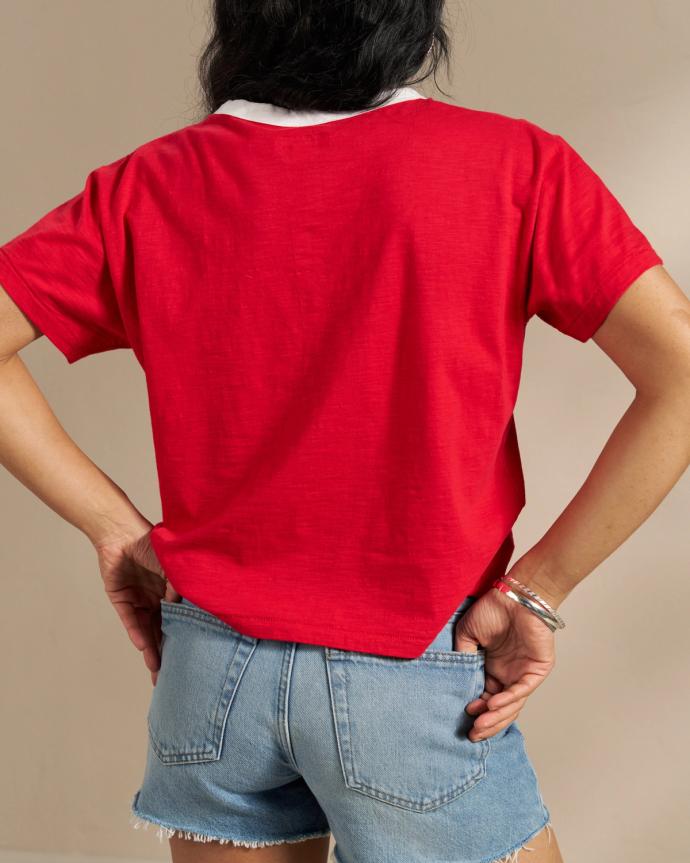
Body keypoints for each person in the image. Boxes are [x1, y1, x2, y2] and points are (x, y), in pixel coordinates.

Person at [1, 2, 688, 862]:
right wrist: (537, 590)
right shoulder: (514, 165)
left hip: (210, 668)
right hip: (408, 666)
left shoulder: (148, 184)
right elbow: (682, 374)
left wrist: (112, 526)